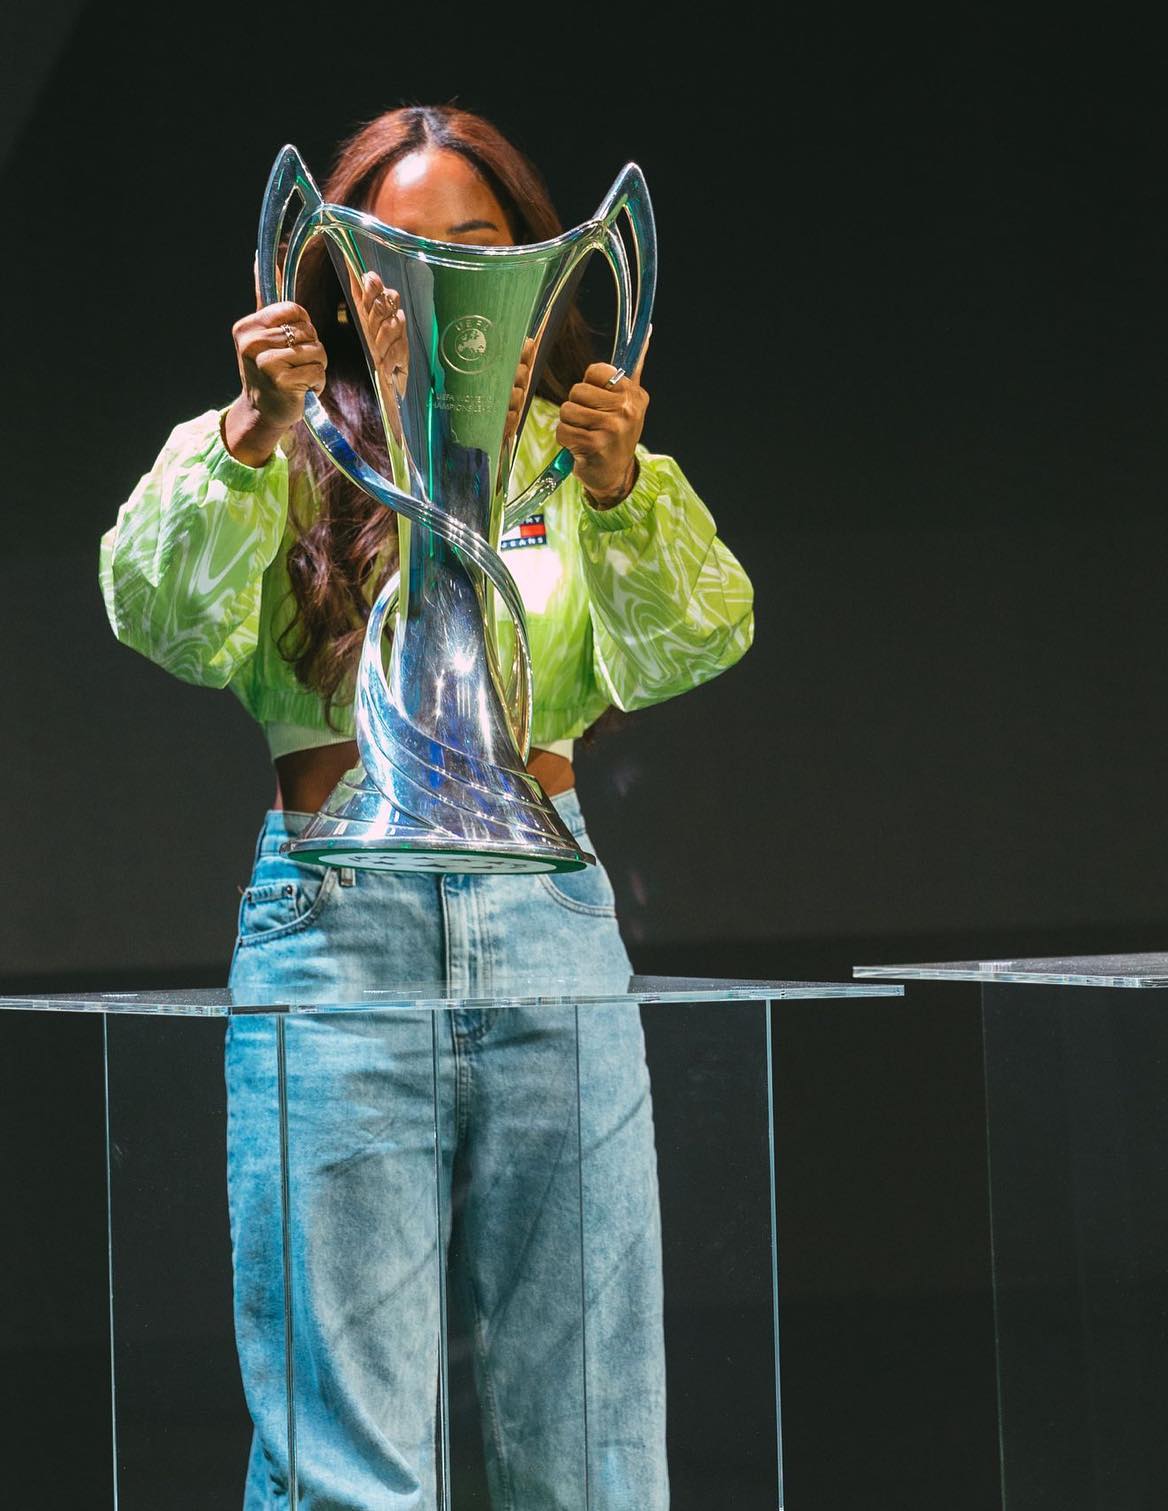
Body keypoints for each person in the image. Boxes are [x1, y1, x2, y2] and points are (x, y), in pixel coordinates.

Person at [99, 105, 753, 1511]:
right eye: (402, 248)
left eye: (482, 244)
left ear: (539, 267)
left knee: (593, 1453)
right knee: (348, 1466)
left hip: (550, 931)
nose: (448, 274)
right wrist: (252, 433)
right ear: (342, 276)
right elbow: (156, 614)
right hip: (340, 931)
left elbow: (694, 642)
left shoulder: (578, 464)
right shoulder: (286, 448)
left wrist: (624, 486)